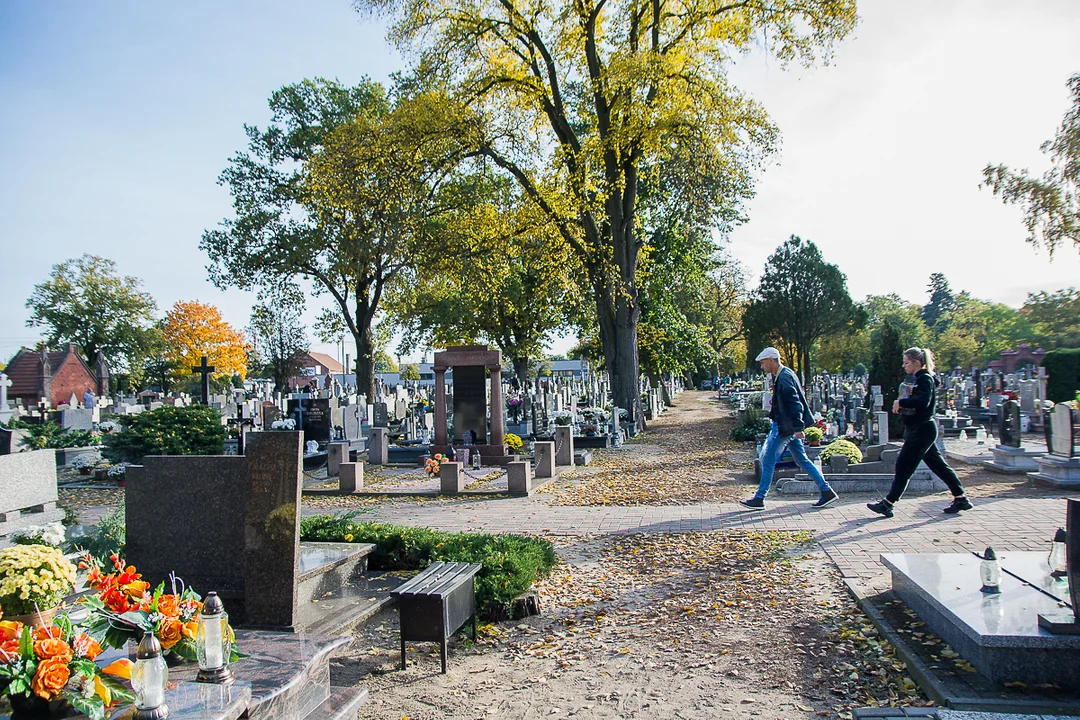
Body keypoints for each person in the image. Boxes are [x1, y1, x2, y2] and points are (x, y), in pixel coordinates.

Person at [867, 347, 972, 518]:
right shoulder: (920, 378)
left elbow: (923, 401)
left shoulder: (924, 379)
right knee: (938, 465)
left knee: (903, 466)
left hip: (921, 429)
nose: (903, 366)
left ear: (916, 363)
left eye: (906, 362)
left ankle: (888, 503)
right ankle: (960, 498)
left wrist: (901, 402)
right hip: (920, 429)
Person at [740, 347, 839, 511]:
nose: (762, 367)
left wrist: (798, 427)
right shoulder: (782, 374)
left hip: (786, 427)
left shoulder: (784, 377)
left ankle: (759, 498)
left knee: (768, 460)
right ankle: (826, 490)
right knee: (802, 460)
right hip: (787, 426)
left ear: (772, 360)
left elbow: (795, 404)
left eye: (764, 363)